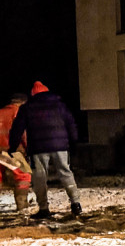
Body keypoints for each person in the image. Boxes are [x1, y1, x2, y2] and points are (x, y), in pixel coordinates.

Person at [8, 82, 83, 219]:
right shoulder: (60, 105)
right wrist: (73, 143)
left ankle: (43, 208)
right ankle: (75, 203)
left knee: (40, 178)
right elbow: (71, 124)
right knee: (66, 173)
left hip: (38, 148)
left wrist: (12, 147)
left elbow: (17, 129)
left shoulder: (27, 108)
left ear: (33, 95)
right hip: (60, 146)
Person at [0, 93, 33, 213]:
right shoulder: (19, 112)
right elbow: (23, 134)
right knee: (23, 176)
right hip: (13, 150)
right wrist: (28, 149)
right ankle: (22, 206)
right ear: (22, 103)